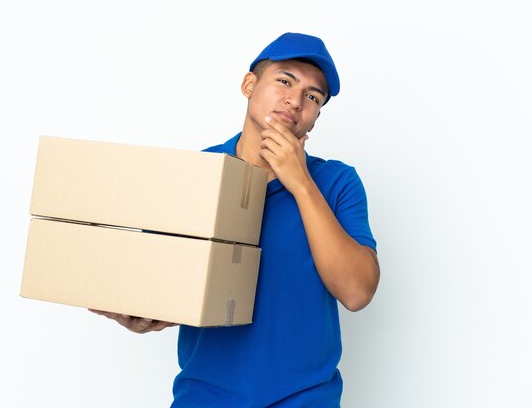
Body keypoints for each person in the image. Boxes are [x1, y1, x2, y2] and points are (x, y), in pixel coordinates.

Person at [91, 32, 380, 407]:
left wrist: (300, 183)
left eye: (313, 97)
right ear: (249, 84)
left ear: (315, 118)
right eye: (284, 81)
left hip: (307, 399)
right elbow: (160, 282)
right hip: (204, 397)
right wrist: (142, 314)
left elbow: (357, 292)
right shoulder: (197, 173)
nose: (295, 100)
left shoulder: (337, 183)